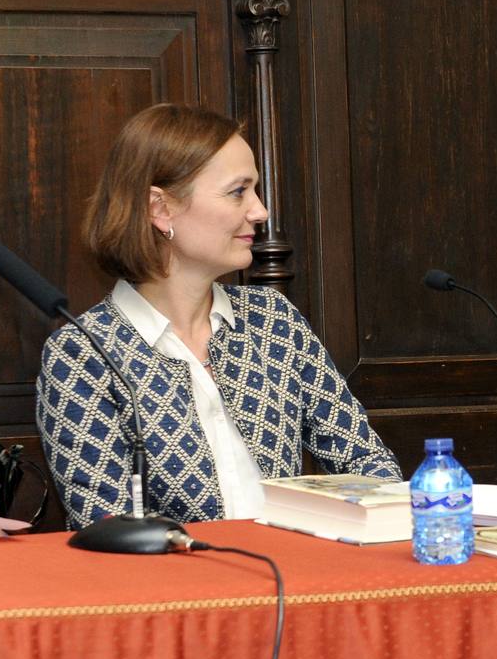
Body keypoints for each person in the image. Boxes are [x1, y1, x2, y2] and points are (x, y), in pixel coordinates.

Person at [36, 104, 401, 529]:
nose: (260, 212)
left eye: (255, 190)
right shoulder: (83, 352)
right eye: (238, 192)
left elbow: (368, 464)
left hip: (297, 566)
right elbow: (105, 526)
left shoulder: (272, 320)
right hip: (180, 573)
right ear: (160, 209)